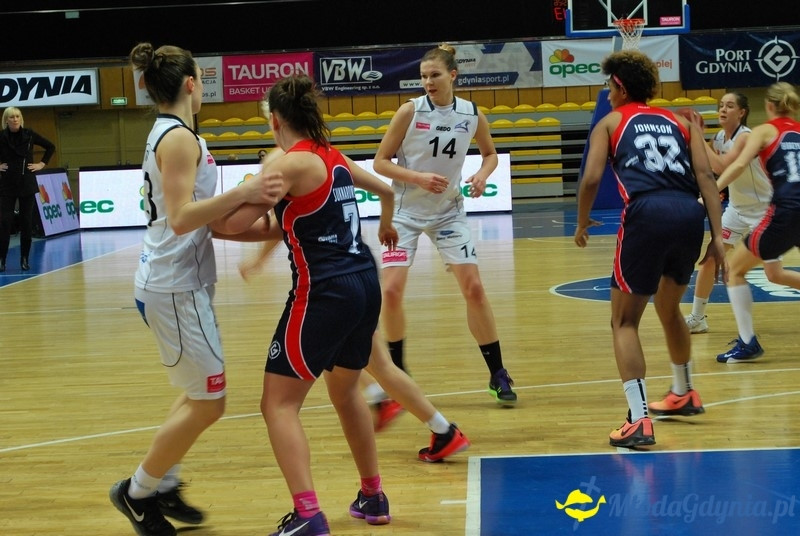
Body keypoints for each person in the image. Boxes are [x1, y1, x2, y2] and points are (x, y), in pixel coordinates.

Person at [109, 42, 283, 536]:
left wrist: (269, 230)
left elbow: (210, 224)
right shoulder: (180, 140)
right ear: (191, 84)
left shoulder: (177, 134)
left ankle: (164, 483)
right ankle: (138, 493)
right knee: (210, 400)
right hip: (174, 285)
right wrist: (245, 192)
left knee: (196, 393)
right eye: (202, 82)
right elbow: (184, 219)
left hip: (177, 281)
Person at [227, 74, 396, 536]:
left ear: (275, 120)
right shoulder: (332, 155)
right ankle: (372, 494)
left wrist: (195, 214)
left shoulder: (288, 164)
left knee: (277, 404)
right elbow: (387, 190)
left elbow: (234, 222)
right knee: (345, 393)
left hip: (325, 290)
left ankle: (307, 515)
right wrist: (386, 225)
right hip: (364, 282)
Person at [574, 50, 725, 448]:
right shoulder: (681, 120)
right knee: (668, 306)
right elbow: (708, 176)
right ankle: (684, 391)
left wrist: (581, 220)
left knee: (623, 322)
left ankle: (638, 420)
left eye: (609, 86)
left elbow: (590, 180)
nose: (607, 94)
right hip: (689, 214)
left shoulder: (610, 122)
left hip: (647, 213)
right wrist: (719, 237)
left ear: (620, 86)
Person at [372, 43, 517, 406]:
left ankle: (497, 372)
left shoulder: (471, 114)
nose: (428, 82)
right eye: (423, 76)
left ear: (453, 75)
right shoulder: (410, 111)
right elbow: (380, 162)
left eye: (434, 75)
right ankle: (399, 371)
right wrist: (418, 178)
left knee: (475, 289)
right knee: (390, 291)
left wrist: (482, 175)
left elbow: (490, 154)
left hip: (448, 211)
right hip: (405, 212)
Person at [714, 82, 800, 363]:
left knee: (734, 270)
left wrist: (711, 192)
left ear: (769, 107)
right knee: (774, 274)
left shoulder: (765, 130)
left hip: (785, 210)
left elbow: (737, 165)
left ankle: (748, 342)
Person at [684, 93, 772, 334]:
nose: (723, 109)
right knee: (710, 259)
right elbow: (710, 165)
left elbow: (723, 167)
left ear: (742, 112)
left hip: (764, 210)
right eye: (721, 105)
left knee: (773, 272)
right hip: (737, 209)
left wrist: (698, 137)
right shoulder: (721, 137)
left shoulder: (746, 137)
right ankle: (697, 317)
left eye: (729, 106)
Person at [0, 107, 56, 272]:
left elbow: (50, 147)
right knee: (4, 223)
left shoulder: (29, 134)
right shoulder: (1, 137)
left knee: (26, 223)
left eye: (17, 116)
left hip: (27, 184)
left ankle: (24, 258)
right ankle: (2, 260)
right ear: (6, 120)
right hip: (7, 185)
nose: (15, 119)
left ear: (21, 118)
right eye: (11, 117)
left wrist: (41, 164)